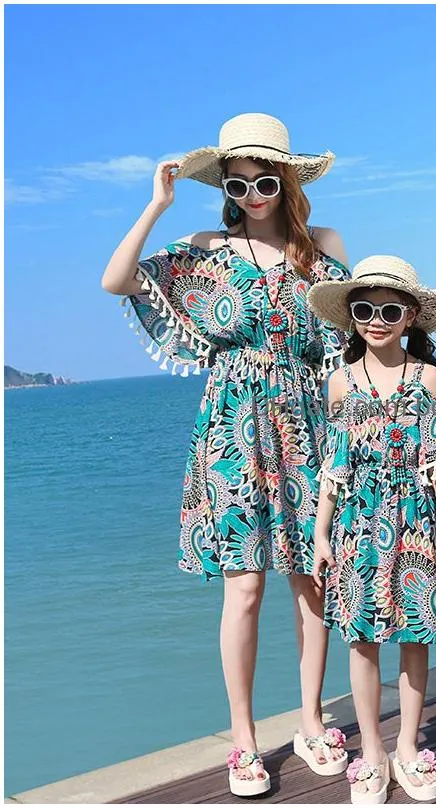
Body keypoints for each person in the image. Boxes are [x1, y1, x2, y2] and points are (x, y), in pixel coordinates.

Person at [101, 113, 352, 796]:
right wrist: (158, 205)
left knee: (314, 581)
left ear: (289, 180)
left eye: (266, 180)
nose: (253, 194)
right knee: (244, 588)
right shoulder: (208, 248)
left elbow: (346, 350)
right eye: (238, 183)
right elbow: (117, 280)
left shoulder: (320, 248)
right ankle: (243, 741)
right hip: (233, 430)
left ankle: (310, 718)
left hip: (308, 427)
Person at [308, 256, 436, 804]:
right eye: (364, 309)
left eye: (389, 309)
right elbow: (334, 466)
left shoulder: (428, 378)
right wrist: (322, 534)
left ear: (411, 316)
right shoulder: (337, 383)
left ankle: (406, 748)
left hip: (416, 523)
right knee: (361, 639)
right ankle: (372, 753)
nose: (376, 319)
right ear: (350, 316)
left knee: (415, 637)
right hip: (357, 523)